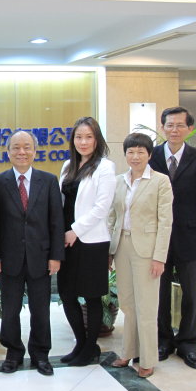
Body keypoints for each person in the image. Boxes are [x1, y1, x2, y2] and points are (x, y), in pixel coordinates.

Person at [150, 107, 196, 369]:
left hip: (192, 238)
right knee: (160, 294)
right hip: (158, 240)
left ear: (190, 128)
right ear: (163, 128)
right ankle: (163, 340)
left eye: (180, 125)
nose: (174, 130)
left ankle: (188, 343)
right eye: (169, 125)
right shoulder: (151, 156)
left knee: (192, 294)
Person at [0, 130, 64, 376]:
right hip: (8, 259)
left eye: (27, 147)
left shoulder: (49, 180)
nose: (22, 152)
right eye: (16, 147)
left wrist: (55, 256)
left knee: (41, 310)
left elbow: (56, 221)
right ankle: (13, 353)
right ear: (8, 151)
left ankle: (41, 354)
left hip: (40, 258)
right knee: (10, 311)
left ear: (35, 150)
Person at [108, 132, 173, 378]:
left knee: (146, 306)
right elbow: (112, 217)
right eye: (130, 152)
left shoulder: (160, 181)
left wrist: (160, 257)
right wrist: (110, 251)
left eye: (140, 152)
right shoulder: (119, 181)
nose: (135, 156)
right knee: (127, 303)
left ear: (149, 155)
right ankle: (128, 352)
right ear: (125, 154)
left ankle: (147, 359)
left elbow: (166, 222)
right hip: (121, 246)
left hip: (147, 250)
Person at [58, 116, 116, 366]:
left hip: (91, 241)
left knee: (92, 297)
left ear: (97, 139)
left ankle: (91, 347)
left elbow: (102, 207)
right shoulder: (67, 166)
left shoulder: (105, 167)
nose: (83, 142)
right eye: (79, 137)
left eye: (88, 137)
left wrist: (75, 230)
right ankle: (81, 344)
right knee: (67, 294)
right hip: (66, 242)